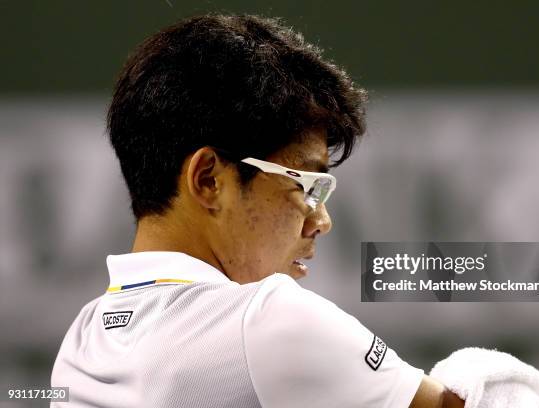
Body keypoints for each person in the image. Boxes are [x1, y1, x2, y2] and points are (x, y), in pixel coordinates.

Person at [50, 14, 464, 407]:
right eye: (305, 184)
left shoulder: (79, 344)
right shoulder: (272, 320)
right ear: (209, 178)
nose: (321, 220)